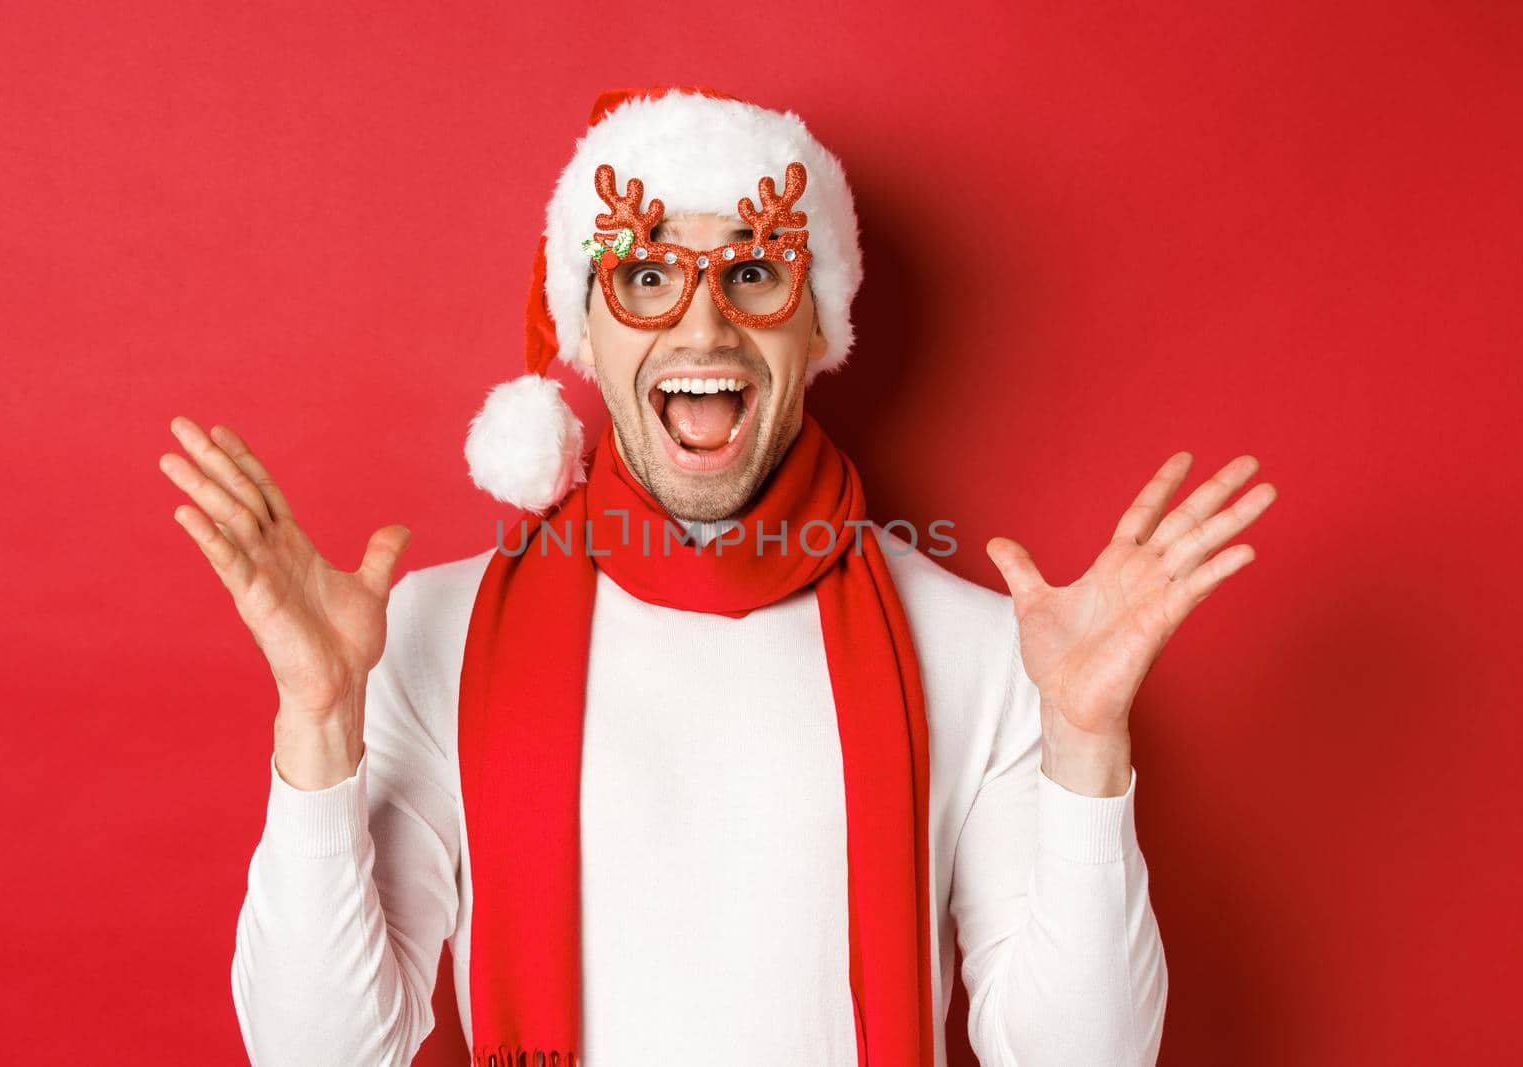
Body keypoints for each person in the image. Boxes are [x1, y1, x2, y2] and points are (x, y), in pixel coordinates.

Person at [159, 86, 1276, 1066]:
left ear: (819, 329)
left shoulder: (985, 648)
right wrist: (316, 725)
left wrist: (1084, 744)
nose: (703, 322)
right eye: (645, 274)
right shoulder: (431, 632)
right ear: (583, 334)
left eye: (753, 273)